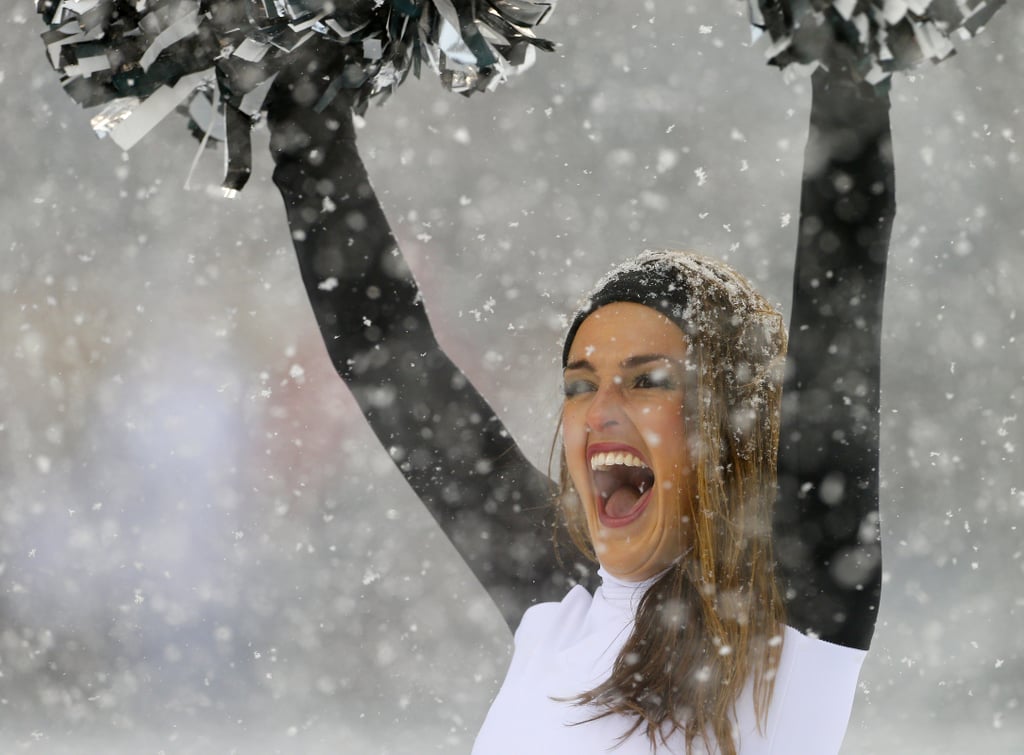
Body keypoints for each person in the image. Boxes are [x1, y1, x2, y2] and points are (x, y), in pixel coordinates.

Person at [265, 44, 894, 754]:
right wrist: (306, 128)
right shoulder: (562, 599)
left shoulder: (792, 611)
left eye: (648, 379)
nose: (599, 411)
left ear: (728, 416)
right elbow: (383, 350)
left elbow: (841, 276)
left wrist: (851, 59)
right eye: (578, 383)